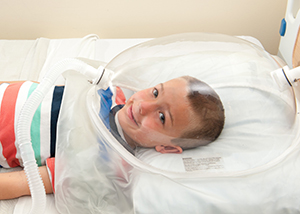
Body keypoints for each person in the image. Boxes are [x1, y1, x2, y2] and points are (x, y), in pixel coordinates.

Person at [0, 75, 225, 199]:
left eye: (162, 117)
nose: (143, 106)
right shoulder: (110, 90)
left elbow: (26, 182)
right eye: (155, 92)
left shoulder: (105, 163)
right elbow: (46, 88)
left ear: (167, 148)